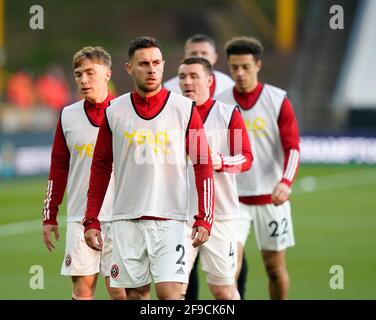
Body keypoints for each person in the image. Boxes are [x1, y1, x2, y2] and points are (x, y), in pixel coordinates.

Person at [83, 37, 214, 300]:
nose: (152, 69)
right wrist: (91, 218)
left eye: (156, 63)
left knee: (170, 295)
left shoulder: (185, 109)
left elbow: (202, 162)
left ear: (163, 65)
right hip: (126, 220)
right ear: (129, 68)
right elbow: (100, 166)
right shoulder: (114, 111)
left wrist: (205, 216)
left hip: (171, 219)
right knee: (135, 296)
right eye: (143, 64)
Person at [217, 36, 300, 300]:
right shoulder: (220, 101)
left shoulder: (277, 99)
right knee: (229, 270)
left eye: (245, 67)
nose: (239, 74)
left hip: (271, 199)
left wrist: (285, 183)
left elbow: (293, 147)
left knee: (274, 268)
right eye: (234, 68)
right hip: (234, 200)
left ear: (258, 65)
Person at [41, 46, 127, 300]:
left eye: (90, 72)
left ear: (107, 74)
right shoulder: (68, 115)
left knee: (120, 292)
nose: (83, 79)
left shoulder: (125, 112)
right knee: (82, 289)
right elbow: (58, 167)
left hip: (120, 216)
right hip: (80, 215)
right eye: (78, 74)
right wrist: (49, 215)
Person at [178, 56, 252, 300]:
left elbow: (246, 158)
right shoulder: (171, 114)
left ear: (209, 80)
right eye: (182, 77)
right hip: (177, 216)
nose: (187, 82)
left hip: (220, 214)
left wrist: (219, 161)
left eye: (194, 76)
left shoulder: (228, 114)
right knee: (174, 289)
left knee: (222, 290)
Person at [164, 34, 234, 98]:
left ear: (214, 58)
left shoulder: (228, 84)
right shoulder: (169, 89)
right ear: (185, 57)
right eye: (193, 53)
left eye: (204, 53)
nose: (199, 57)